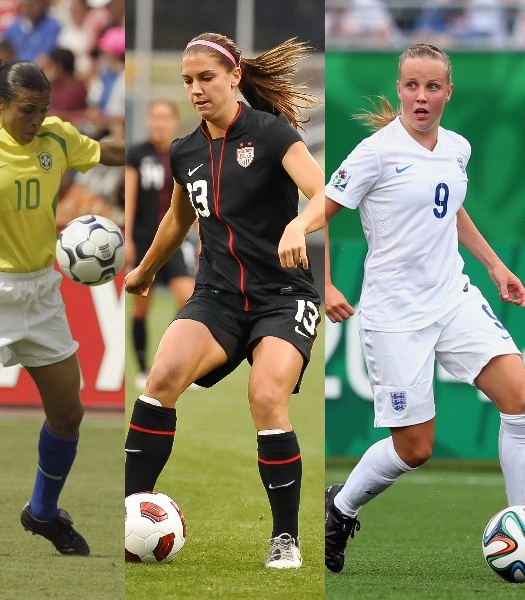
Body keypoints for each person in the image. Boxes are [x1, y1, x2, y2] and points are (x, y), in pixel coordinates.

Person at [123, 32, 326, 569]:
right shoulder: (186, 150)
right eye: (188, 80)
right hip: (216, 295)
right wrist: (144, 270)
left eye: (206, 78)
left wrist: (300, 225)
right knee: (161, 378)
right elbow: (178, 218)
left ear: (235, 77)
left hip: (282, 296)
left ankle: (285, 539)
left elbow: (324, 192)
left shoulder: (272, 133)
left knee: (265, 398)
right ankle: (128, 512)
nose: (195, 89)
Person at [323, 43, 525, 573]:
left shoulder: (456, 148)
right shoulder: (374, 153)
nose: (421, 96)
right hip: (394, 315)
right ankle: (339, 509)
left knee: (520, 398)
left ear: (448, 93)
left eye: (432, 87)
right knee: (415, 448)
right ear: (399, 89)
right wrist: (323, 282)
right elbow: (308, 220)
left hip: (452, 297)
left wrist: (494, 265)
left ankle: (521, 521)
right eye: (412, 86)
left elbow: (450, 208)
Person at [0, 42, 124, 556]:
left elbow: (103, 151)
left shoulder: (57, 138)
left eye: (43, 109)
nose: (37, 119)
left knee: (69, 413)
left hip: (40, 293)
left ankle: (42, 513)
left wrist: (162, 150)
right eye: (26, 110)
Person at [124, 99, 195, 389]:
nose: (160, 122)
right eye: (155, 117)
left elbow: (193, 199)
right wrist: (127, 238)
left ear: (175, 121)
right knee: (141, 309)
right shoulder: (137, 154)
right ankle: (143, 370)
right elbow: (130, 198)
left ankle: (179, 367)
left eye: (165, 117)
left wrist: (202, 238)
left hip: (175, 241)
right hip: (143, 241)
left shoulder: (184, 154)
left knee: (188, 301)